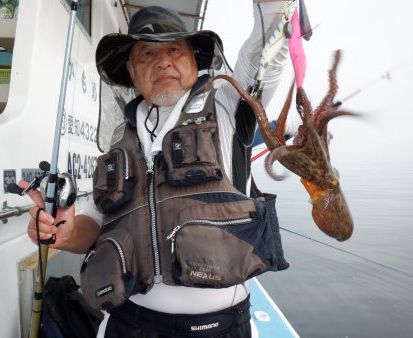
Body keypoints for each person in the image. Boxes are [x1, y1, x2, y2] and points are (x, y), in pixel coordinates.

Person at [20, 1, 291, 337]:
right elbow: (95, 218)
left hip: (218, 327)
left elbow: (269, 48)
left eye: (175, 49)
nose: (163, 60)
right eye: (146, 53)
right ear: (132, 73)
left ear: (194, 59)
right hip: (127, 322)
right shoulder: (120, 138)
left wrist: (273, 7)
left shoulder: (228, 105)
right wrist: (66, 233)